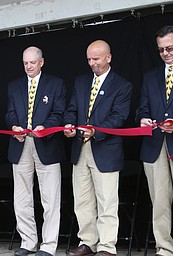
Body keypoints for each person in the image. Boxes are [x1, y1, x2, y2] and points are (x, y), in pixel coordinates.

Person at [63, 40, 132, 256]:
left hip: (105, 150)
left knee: (107, 202)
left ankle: (106, 247)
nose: (92, 63)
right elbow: (71, 109)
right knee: (82, 201)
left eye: (96, 59)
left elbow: (119, 117)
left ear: (109, 57)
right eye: (89, 59)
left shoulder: (123, 85)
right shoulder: (81, 81)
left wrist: (97, 131)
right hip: (80, 150)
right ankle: (87, 242)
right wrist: (69, 124)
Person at [6, 46, 66, 256]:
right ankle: (28, 241)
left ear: (41, 62)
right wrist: (14, 127)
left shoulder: (56, 84)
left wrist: (45, 128)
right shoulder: (14, 86)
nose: (29, 66)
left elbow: (59, 113)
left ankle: (49, 245)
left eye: (32, 62)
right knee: (21, 198)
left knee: (50, 199)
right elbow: (10, 114)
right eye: (25, 63)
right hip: (20, 144)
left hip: (46, 144)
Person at [136, 25, 173, 256]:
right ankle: (165, 248)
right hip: (154, 147)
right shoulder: (150, 77)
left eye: (169, 48)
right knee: (159, 203)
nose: (165, 53)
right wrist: (143, 119)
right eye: (161, 50)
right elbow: (141, 108)